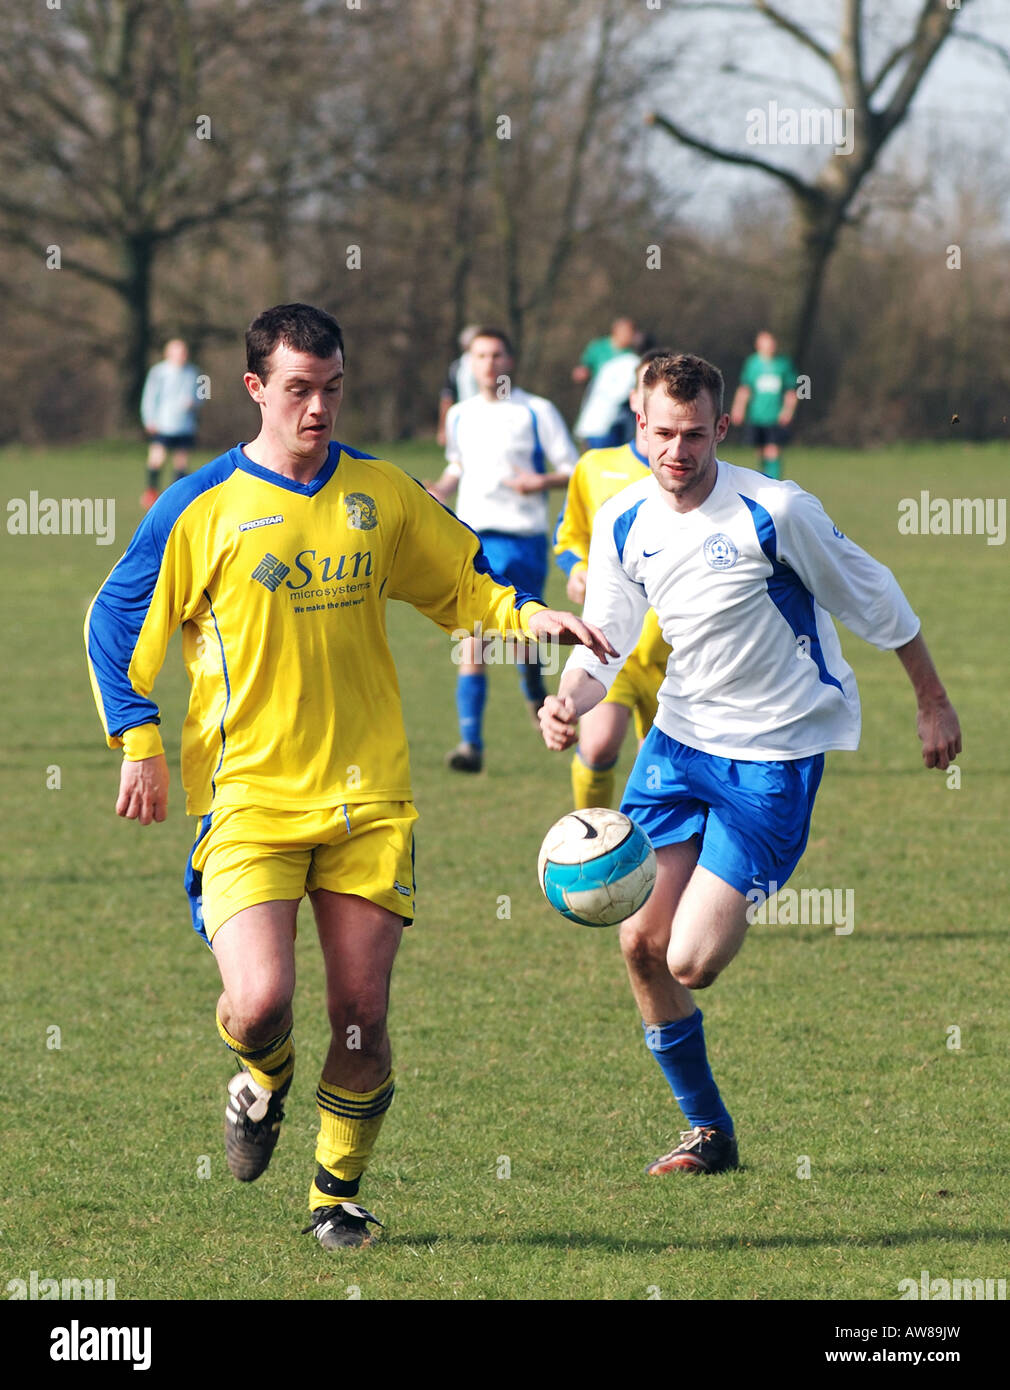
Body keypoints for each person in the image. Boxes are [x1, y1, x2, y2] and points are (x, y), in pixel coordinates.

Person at [85, 303, 613, 1251]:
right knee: (257, 1005)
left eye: (332, 388)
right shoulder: (200, 506)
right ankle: (264, 1080)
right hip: (246, 796)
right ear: (255, 389)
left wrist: (530, 618)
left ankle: (336, 1196)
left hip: (370, 797)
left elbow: (462, 585)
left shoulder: (383, 491)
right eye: (298, 390)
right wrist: (139, 739)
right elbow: (114, 621)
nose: (318, 408)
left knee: (362, 1015)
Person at [540, 352, 961, 1177]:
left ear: (722, 428)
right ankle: (709, 1133)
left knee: (690, 958)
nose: (678, 450)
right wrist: (570, 701)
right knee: (639, 944)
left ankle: (746, 875)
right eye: (663, 433)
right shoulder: (623, 518)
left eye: (696, 434)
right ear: (639, 426)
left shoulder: (777, 511)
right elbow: (607, 639)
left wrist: (933, 700)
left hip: (772, 754)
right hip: (676, 744)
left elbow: (877, 598)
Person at [427, 327, 578, 773]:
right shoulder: (459, 414)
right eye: (480, 356)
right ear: (469, 364)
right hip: (473, 538)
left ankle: (534, 689)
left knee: (524, 636)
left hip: (524, 536)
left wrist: (539, 482)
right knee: (473, 636)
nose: (489, 364)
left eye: (496, 355)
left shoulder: (536, 411)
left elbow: (572, 468)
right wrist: (441, 489)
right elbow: (457, 463)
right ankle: (470, 745)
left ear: (510, 361)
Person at [553, 347, 672, 809]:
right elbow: (568, 537)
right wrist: (579, 569)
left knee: (658, 775)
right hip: (613, 643)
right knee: (598, 745)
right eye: (648, 384)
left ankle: (653, 866)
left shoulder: (694, 475)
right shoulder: (595, 467)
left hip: (675, 655)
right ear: (633, 398)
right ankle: (590, 837)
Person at [140, 338, 204, 509]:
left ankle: (178, 496)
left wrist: (195, 402)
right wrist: (149, 419)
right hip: (164, 423)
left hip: (184, 425)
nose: (182, 355)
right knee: (157, 458)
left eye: (184, 352)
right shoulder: (158, 372)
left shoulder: (194, 372)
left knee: (181, 462)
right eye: (178, 352)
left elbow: (203, 395)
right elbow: (149, 396)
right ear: (168, 353)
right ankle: (151, 492)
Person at [730, 330, 798, 479]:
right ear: (758, 344)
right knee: (761, 450)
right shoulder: (752, 364)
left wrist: (787, 411)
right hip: (757, 415)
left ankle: (775, 481)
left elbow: (791, 392)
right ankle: (764, 479)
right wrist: (738, 409)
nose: (769, 345)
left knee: (772, 450)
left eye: (772, 342)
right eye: (766, 342)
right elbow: (745, 389)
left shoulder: (783, 364)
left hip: (775, 416)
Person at [572, 317, 639, 450]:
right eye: (628, 332)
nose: (631, 336)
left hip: (621, 409)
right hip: (599, 401)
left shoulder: (631, 356)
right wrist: (581, 374)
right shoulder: (598, 348)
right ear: (616, 331)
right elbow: (585, 367)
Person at [436, 325, 480, 446]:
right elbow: (447, 398)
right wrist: (443, 428)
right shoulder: (457, 367)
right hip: (465, 421)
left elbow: (505, 394)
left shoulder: (499, 369)